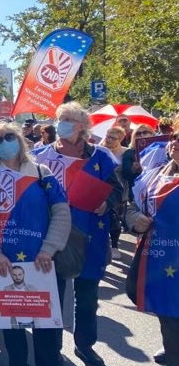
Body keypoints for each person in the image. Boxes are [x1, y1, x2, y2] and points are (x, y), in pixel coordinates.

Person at [0, 122, 71, 366]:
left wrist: (49, 249)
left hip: (42, 264)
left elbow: (61, 211)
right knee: (13, 336)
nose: (4, 143)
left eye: (8, 137)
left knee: (46, 336)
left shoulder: (41, 172)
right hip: (3, 265)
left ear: (20, 139)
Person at [33, 102, 123, 366]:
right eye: (61, 118)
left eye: (70, 119)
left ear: (83, 125)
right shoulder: (39, 156)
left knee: (86, 298)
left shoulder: (102, 157)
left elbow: (118, 190)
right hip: (50, 238)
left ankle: (85, 346)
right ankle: (51, 351)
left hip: (89, 237)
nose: (63, 123)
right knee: (51, 295)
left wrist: (108, 203)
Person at [126, 126, 178, 366]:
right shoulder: (156, 173)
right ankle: (172, 347)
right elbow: (134, 206)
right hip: (158, 255)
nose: (176, 142)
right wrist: (135, 219)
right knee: (165, 308)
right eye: (175, 137)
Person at [101, 126, 129, 260]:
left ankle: (115, 246)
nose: (109, 139)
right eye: (107, 136)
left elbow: (129, 173)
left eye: (113, 138)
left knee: (115, 220)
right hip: (100, 191)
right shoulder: (98, 149)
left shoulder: (126, 153)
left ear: (121, 139)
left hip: (119, 192)